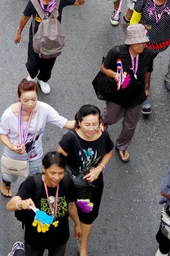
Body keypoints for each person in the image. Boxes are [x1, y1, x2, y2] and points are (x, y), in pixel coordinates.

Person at [0, 79, 74, 197]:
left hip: (34, 154)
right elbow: (2, 134)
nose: (30, 104)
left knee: (34, 177)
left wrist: (88, 124)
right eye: (26, 100)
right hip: (13, 154)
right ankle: (6, 183)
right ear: (18, 97)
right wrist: (11, 146)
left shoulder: (44, 109)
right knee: (10, 176)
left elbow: (66, 123)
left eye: (34, 99)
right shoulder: (8, 115)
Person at [15, 0, 85, 95]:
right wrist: (19, 32)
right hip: (36, 37)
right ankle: (32, 75)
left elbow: (80, 2)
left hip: (54, 38)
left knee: (49, 62)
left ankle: (43, 79)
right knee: (33, 62)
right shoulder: (33, 2)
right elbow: (25, 17)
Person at [58, 105, 113, 256]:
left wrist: (99, 168)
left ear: (100, 122)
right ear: (79, 123)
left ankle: (83, 246)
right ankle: (76, 224)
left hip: (92, 184)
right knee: (69, 208)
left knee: (88, 216)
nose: (91, 128)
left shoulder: (104, 136)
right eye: (87, 124)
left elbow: (109, 152)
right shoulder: (70, 138)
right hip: (71, 182)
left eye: (95, 124)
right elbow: (58, 160)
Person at [6, 151, 81, 256]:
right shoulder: (32, 183)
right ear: (44, 169)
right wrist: (21, 203)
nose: (57, 177)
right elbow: (9, 206)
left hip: (59, 236)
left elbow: (71, 206)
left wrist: (77, 224)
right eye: (53, 173)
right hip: (35, 238)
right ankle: (18, 251)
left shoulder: (67, 182)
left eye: (61, 173)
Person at [99, 24, 154, 162]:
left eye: (144, 42)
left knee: (130, 124)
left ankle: (122, 146)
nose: (142, 45)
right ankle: (103, 122)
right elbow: (104, 68)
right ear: (130, 42)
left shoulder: (148, 54)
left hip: (136, 95)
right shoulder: (117, 52)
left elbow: (148, 72)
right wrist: (114, 74)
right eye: (138, 42)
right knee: (111, 118)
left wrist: (147, 88)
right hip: (117, 94)